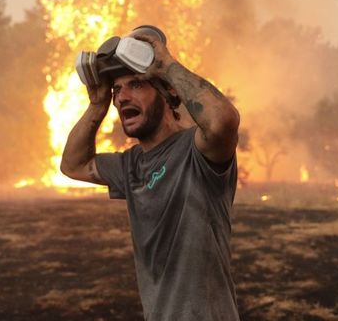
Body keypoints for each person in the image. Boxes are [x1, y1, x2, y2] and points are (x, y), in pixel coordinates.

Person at [61, 25, 241, 321]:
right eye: (117, 89)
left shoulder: (196, 152)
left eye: (136, 85)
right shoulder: (129, 166)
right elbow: (73, 165)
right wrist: (96, 106)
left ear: (168, 90)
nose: (121, 98)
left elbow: (223, 121)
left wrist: (166, 65)